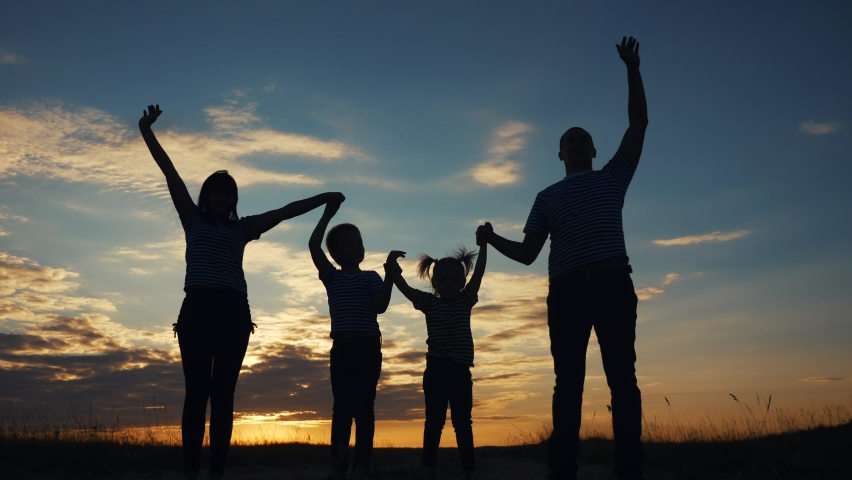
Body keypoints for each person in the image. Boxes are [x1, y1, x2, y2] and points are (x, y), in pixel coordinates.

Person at [139, 104, 344, 480]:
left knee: (223, 398)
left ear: (234, 201)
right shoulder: (192, 218)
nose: (222, 198)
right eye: (216, 192)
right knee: (196, 394)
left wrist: (324, 197)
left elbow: (284, 210)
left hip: (233, 314)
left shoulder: (244, 228)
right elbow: (169, 171)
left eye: (228, 194)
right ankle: (190, 472)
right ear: (206, 197)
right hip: (196, 310)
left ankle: (217, 472)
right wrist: (146, 129)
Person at [475, 36, 648, 480]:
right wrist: (492, 240)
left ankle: (628, 468)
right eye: (569, 140)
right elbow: (530, 253)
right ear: (560, 153)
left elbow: (639, 123)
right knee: (567, 385)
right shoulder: (546, 196)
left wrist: (632, 68)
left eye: (583, 139)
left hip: (612, 284)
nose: (576, 143)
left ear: (592, 150)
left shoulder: (613, 176)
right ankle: (561, 470)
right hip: (567, 292)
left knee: (622, 381)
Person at [308, 200, 396, 480]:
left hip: (368, 348)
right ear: (334, 253)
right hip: (343, 349)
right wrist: (326, 215)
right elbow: (313, 245)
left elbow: (379, 306)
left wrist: (391, 276)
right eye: (348, 244)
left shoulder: (371, 277)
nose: (356, 247)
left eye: (358, 243)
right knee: (342, 408)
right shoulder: (331, 277)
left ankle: (361, 465)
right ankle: (339, 463)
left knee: (364, 408)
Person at [385, 242, 487, 480]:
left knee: (463, 422)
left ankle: (468, 470)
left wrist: (484, 245)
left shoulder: (466, 300)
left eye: (454, 280)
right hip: (437, 370)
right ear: (434, 283)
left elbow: (479, 271)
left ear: (463, 282)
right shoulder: (429, 303)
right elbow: (406, 289)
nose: (449, 284)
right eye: (442, 280)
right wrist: (392, 268)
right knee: (434, 421)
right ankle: (429, 468)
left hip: (461, 371)